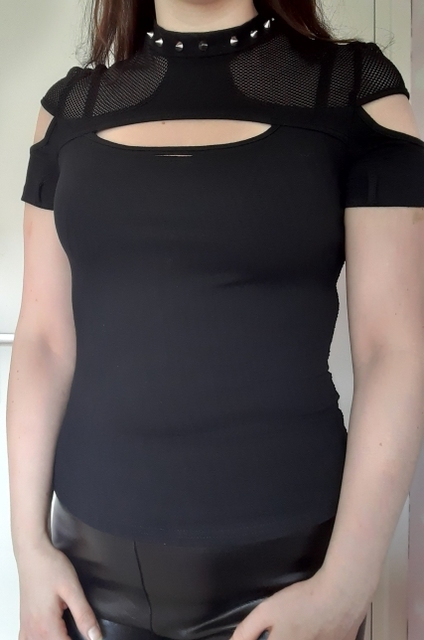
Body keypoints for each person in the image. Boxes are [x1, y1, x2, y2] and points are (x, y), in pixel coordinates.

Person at [8, 0, 424, 639]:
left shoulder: (352, 90)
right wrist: (28, 552)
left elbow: (393, 348)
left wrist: (348, 584)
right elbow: (42, 342)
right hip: (87, 579)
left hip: (289, 578)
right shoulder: (69, 109)